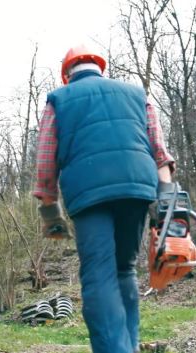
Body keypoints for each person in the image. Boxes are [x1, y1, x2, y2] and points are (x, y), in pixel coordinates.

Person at [33, 44, 175, 353]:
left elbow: (46, 158)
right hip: (137, 187)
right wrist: (167, 195)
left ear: (67, 74)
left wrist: (49, 207)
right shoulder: (136, 94)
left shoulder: (59, 99)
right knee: (124, 268)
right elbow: (159, 150)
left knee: (99, 273)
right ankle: (129, 346)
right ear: (100, 68)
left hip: (89, 192)